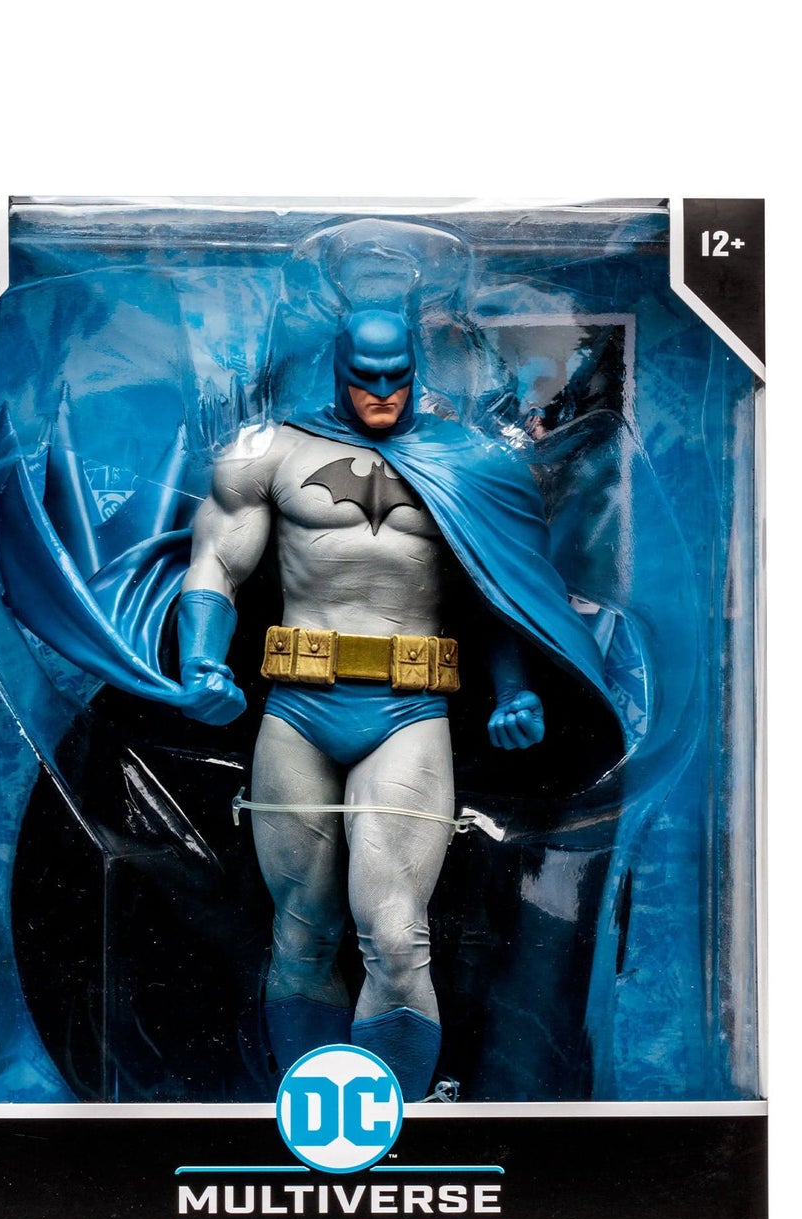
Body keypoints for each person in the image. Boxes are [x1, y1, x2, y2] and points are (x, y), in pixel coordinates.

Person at [176, 310, 572, 1100]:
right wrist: (200, 660)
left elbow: (502, 588)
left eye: (397, 377)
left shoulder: (467, 462)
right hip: (298, 706)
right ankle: (309, 1115)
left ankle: (395, 1114)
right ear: (338, 369)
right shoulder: (272, 451)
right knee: (301, 932)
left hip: (408, 710)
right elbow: (216, 561)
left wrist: (515, 687)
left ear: (415, 371)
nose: (382, 393)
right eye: (366, 377)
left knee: (394, 936)